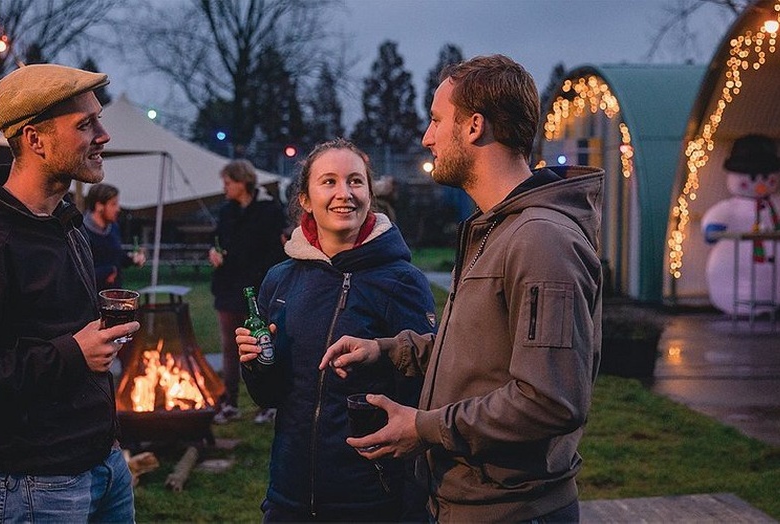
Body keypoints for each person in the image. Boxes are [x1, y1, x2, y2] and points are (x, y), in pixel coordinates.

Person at [320, 55, 604, 522]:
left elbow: (550, 400)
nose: (426, 137)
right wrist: (386, 349)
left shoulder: (541, 240)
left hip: (513, 512)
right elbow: (478, 350)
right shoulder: (494, 228)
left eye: (436, 120)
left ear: (474, 126)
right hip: (467, 505)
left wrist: (424, 427)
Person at [0, 63, 138, 523]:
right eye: (85, 124)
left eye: (98, 120)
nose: (104, 135)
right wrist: (71, 354)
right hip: (37, 484)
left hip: (103, 464)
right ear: (35, 139)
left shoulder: (65, 223)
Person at [235, 138, 437, 522]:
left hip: (373, 501)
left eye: (355, 181)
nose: (344, 193)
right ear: (306, 200)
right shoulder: (280, 280)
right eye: (329, 181)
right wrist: (255, 364)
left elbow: (425, 392)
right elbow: (269, 396)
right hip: (289, 497)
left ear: (370, 195)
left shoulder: (403, 281)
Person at [209, 159, 288, 425]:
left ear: (242, 182)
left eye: (228, 183)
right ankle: (230, 402)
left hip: (257, 290)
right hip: (228, 288)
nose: (225, 188)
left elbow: (274, 252)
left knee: (263, 345)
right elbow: (218, 240)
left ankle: (268, 403)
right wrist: (215, 252)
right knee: (230, 348)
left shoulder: (269, 210)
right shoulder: (226, 212)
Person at [84, 182, 146, 291]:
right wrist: (107, 272)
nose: (118, 209)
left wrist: (132, 258)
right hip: (91, 297)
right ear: (99, 206)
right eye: (113, 204)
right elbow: (79, 273)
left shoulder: (113, 227)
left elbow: (115, 257)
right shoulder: (81, 232)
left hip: (114, 294)